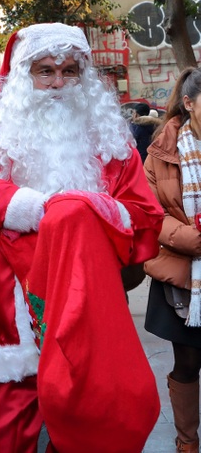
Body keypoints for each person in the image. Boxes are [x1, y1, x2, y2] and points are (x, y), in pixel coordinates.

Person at [0, 23, 164, 453]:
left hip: (86, 309)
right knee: (8, 437)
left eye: (69, 70)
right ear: (22, 74)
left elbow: (145, 218)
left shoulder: (109, 140)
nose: (57, 82)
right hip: (7, 315)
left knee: (92, 429)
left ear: (83, 76)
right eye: (44, 70)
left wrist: (93, 213)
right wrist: (23, 206)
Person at [143, 66, 201, 453]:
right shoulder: (160, 153)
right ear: (189, 104)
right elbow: (147, 216)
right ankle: (187, 444)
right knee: (187, 366)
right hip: (182, 279)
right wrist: (194, 241)